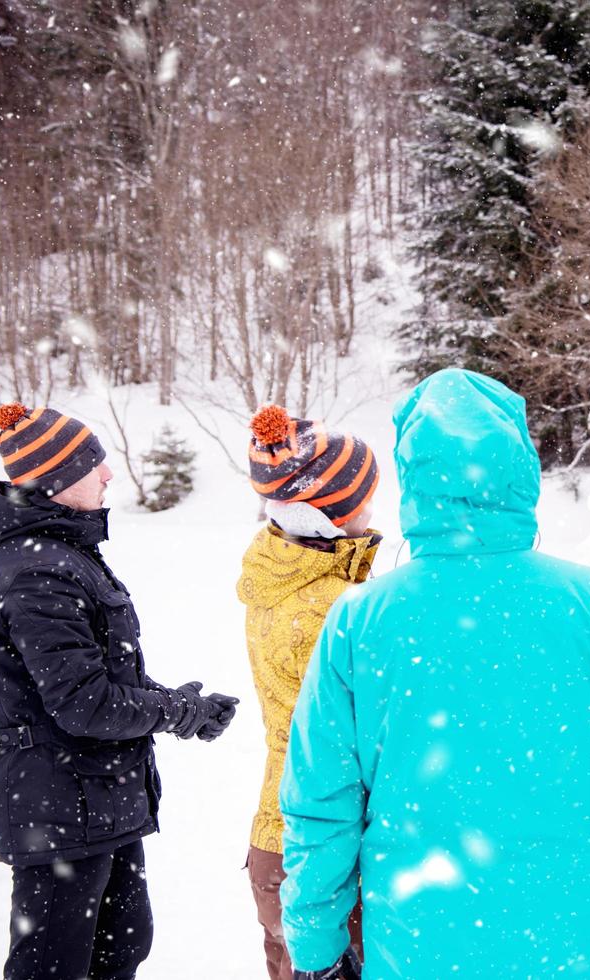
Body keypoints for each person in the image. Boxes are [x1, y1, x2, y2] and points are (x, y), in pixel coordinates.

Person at [279, 370, 590, 980]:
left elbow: (322, 797)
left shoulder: (362, 619)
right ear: (519, 468)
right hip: (567, 942)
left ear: (412, 478)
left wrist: (315, 940)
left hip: (423, 946)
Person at [0, 401, 239, 980]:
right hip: (60, 807)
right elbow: (85, 704)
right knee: (55, 967)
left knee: (120, 948)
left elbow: (99, 680)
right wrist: (178, 712)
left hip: (94, 801)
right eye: (95, 465)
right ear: (58, 481)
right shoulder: (38, 571)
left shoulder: (63, 555)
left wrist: (179, 702)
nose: (109, 474)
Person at [236, 404, 382, 980]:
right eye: (364, 495)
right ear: (334, 512)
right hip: (322, 849)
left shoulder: (290, 573)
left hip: (283, 839)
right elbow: (352, 747)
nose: (373, 506)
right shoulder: (328, 609)